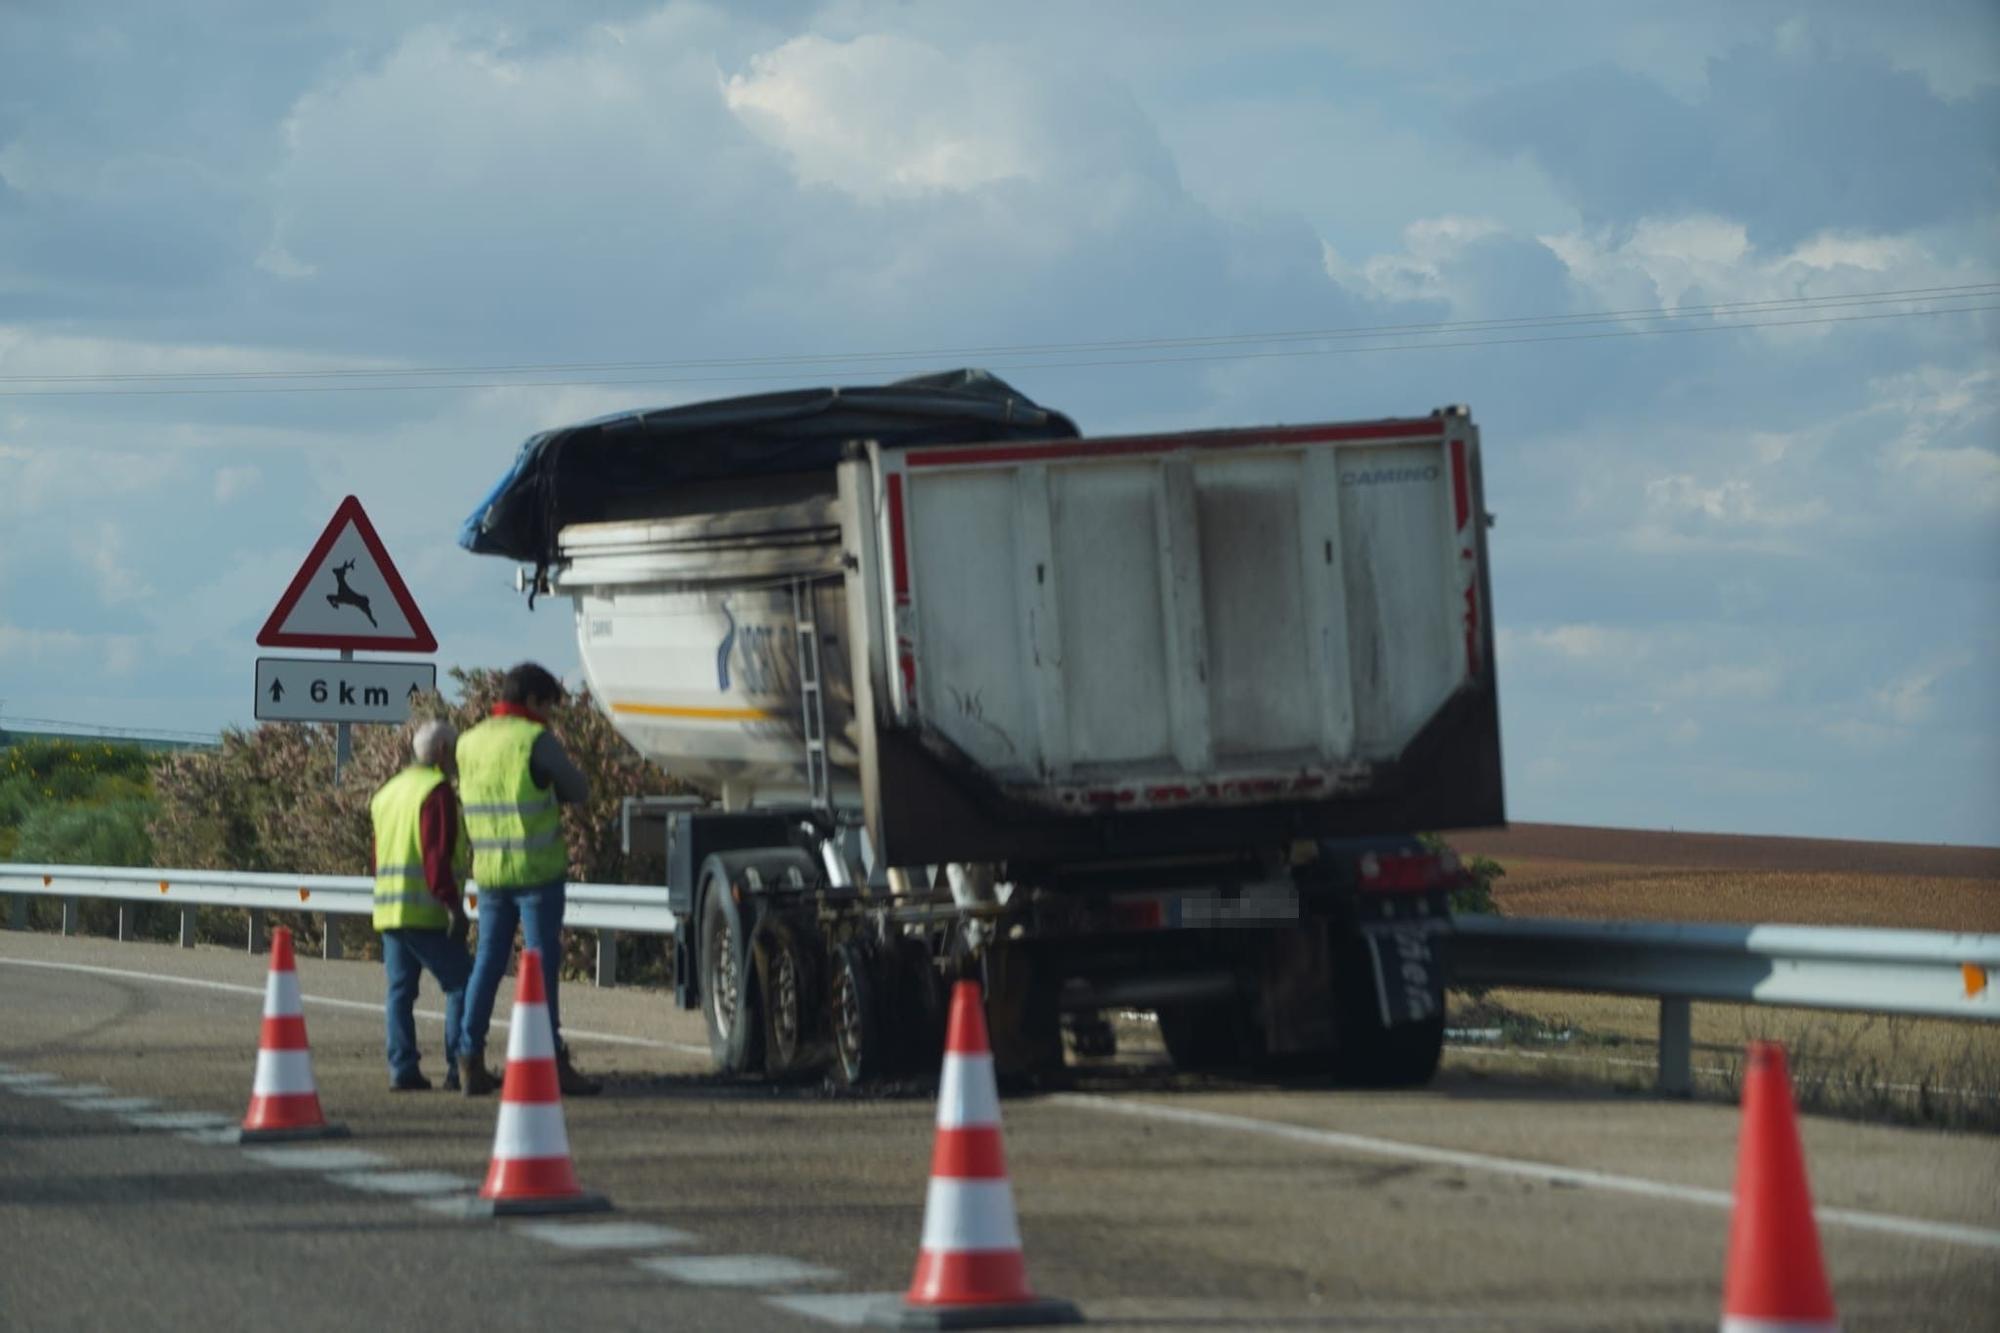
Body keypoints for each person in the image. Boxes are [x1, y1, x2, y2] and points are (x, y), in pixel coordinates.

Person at [454, 662, 600, 1097]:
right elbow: (579, 789)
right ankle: (551, 1059)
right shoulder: (534, 739)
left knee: (487, 962)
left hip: (491, 872)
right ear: (533, 701)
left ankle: (469, 1057)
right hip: (537, 873)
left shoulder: (469, 741)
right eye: (549, 706)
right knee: (540, 965)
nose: (551, 716)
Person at [368, 720, 473, 1092]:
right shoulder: (436, 790)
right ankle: (458, 1066)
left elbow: (379, 855)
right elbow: (435, 856)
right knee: (463, 983)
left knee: (400, 991)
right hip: (426, 910)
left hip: (390, 909)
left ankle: (402, 1068)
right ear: (443, 751)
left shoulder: (388, 791)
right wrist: (453, 907)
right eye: (455, 750)